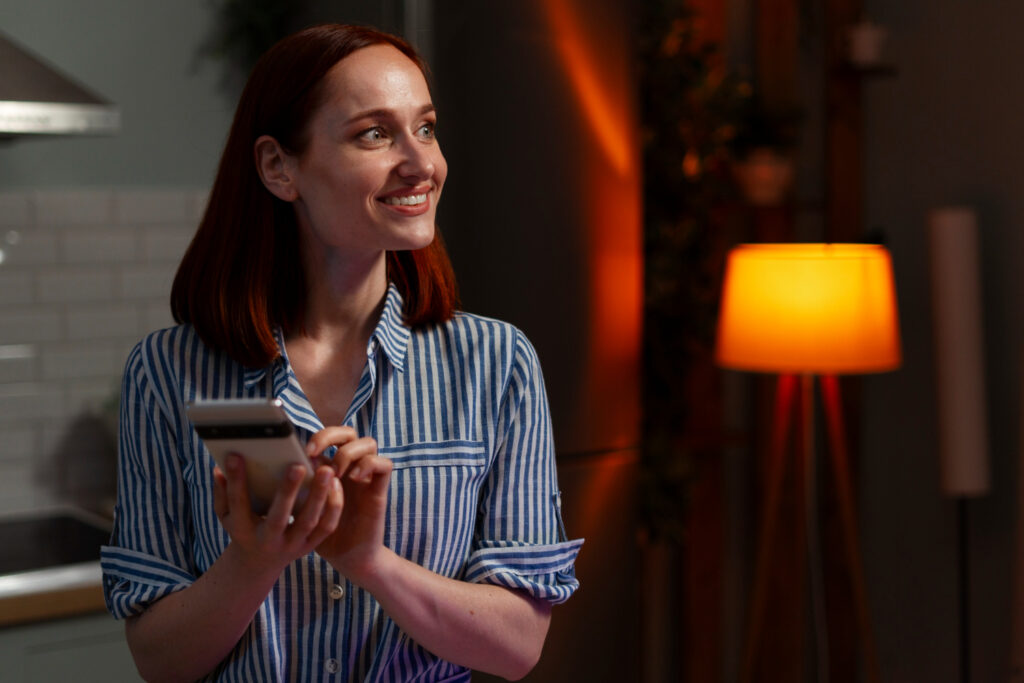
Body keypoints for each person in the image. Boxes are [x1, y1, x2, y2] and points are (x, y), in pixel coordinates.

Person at [100, 23, 582, 682]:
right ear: (279, 167)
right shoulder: (169, 371)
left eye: (427, 127)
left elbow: (518, 645)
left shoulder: (497, 364)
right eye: (374, 134)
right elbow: (160, 660)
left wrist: (370, 562)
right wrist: (254, 561)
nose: (422, 163)